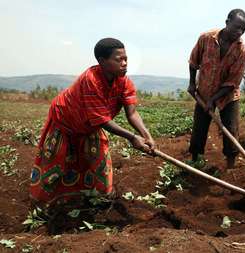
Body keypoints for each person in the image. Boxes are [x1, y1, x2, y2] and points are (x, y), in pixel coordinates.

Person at [30, 38, 155, 209]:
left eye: (126, 59)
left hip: (90, 127)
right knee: (56, 166)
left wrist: (147, 136)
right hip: (65, 123)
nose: (125, 63)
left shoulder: (124, 81)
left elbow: (132, 113)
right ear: (102, 61)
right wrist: (132, 138)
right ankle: (45, 206)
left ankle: (100, 201)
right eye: (119, 60)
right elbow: (102, 120)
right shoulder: (91, 80)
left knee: (98, 165)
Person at [187, 9, 245, 169]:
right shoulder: (206, 38)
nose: (239, 32)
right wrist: (192, 83)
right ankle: (195, 159)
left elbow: (233, 81)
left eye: (243, 29)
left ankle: (231, 164)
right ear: (227, 23)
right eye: (237, 27)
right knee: (199, 126)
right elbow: (193, 62)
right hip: (204, 92)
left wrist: (214, 100)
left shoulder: (241, 50)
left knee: (231, 128)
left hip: (228, 95)